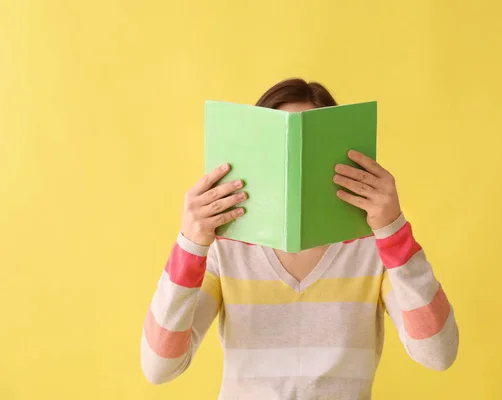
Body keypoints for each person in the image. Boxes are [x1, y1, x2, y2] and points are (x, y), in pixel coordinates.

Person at [140, 78, 459, 399]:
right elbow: (159, 366)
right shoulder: (227, 248)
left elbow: (437, 353)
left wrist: (393, 231)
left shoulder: (372, 247)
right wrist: (190, 245)